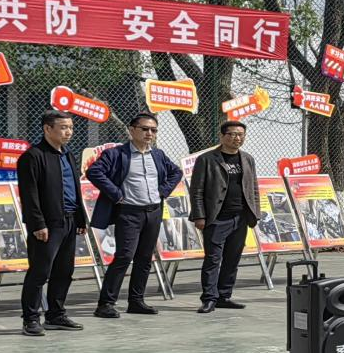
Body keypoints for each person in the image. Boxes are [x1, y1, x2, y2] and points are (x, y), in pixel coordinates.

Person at [87, 113, 183, 319]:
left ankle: (136, 301)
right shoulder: (116, 154)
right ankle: (106, 303)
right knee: (124, 256)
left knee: (145, 257)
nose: (149, 133)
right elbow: (94, 172)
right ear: (132, 130)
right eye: (145, 129)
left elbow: (176, 172)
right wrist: (116, 194)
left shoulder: (157, 155)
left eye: (153, 130)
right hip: (129, 213)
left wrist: (164, 191)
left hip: (153, 212)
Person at [16, 110, 87, 336]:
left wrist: (80, 218)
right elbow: (29, 195)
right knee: (40, 272)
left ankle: (56, 315)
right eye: (63, 127)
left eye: (71, 128)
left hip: (69, 220)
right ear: (47, 129)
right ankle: (30, 319)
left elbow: (75, 189)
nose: (69, 132)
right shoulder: (32, 156)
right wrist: (38, 224)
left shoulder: (68, 155)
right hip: (48, 225)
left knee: (64, 271)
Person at [189, 120, 261, 314]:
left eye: (241, 135)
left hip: (240, 217)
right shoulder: (207, 159)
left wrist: (255, 213)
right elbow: (196, 190)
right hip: (216, 218)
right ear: (222, 136)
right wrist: (199, 216)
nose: (237, 138)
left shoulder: (247, 159)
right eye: (232, 134)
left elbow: (253, 188)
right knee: (213, 259)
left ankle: (224, 296)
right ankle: (209, 298)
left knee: (232, 259)